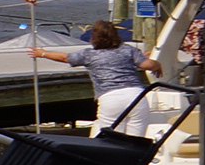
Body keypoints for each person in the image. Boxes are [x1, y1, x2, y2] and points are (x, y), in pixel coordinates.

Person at [29, 19, 159, 133]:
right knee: (136, 139)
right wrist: (157, 65)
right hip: (136, 95)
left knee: (112, 138)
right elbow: (148, 65)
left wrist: (43, 53)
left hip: (110, 97)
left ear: (94, 37)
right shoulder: (128, 49)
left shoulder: (89, 54)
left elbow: (64, 57)